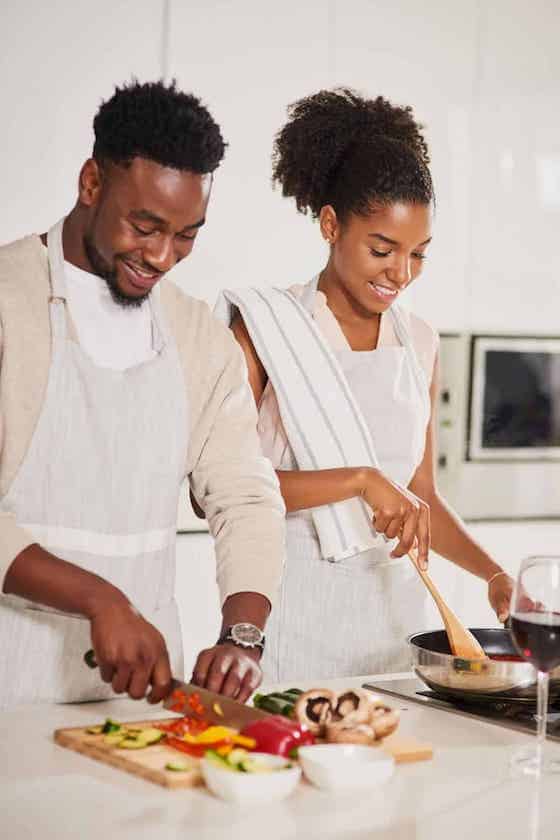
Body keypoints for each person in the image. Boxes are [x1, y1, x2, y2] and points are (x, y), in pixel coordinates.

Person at [0, 80, 285, 709]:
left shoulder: (199, 340)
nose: (162, 256)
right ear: (91, 184)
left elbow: (244, 497)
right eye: (146, 226)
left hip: (139, 700)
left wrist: (243, 636)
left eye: (187, 235)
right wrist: (103, 601)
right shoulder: (6, 302)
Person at [222, 89, 514, 681]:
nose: (401, 275)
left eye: (418, 255)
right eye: (382, 249)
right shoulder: (264, 328)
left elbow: (420, 495)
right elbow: (219, 491)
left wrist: (494, 575)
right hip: (289, 618)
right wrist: (359, 480)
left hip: (396, 626)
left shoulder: (420, 343)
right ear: (331, 224)